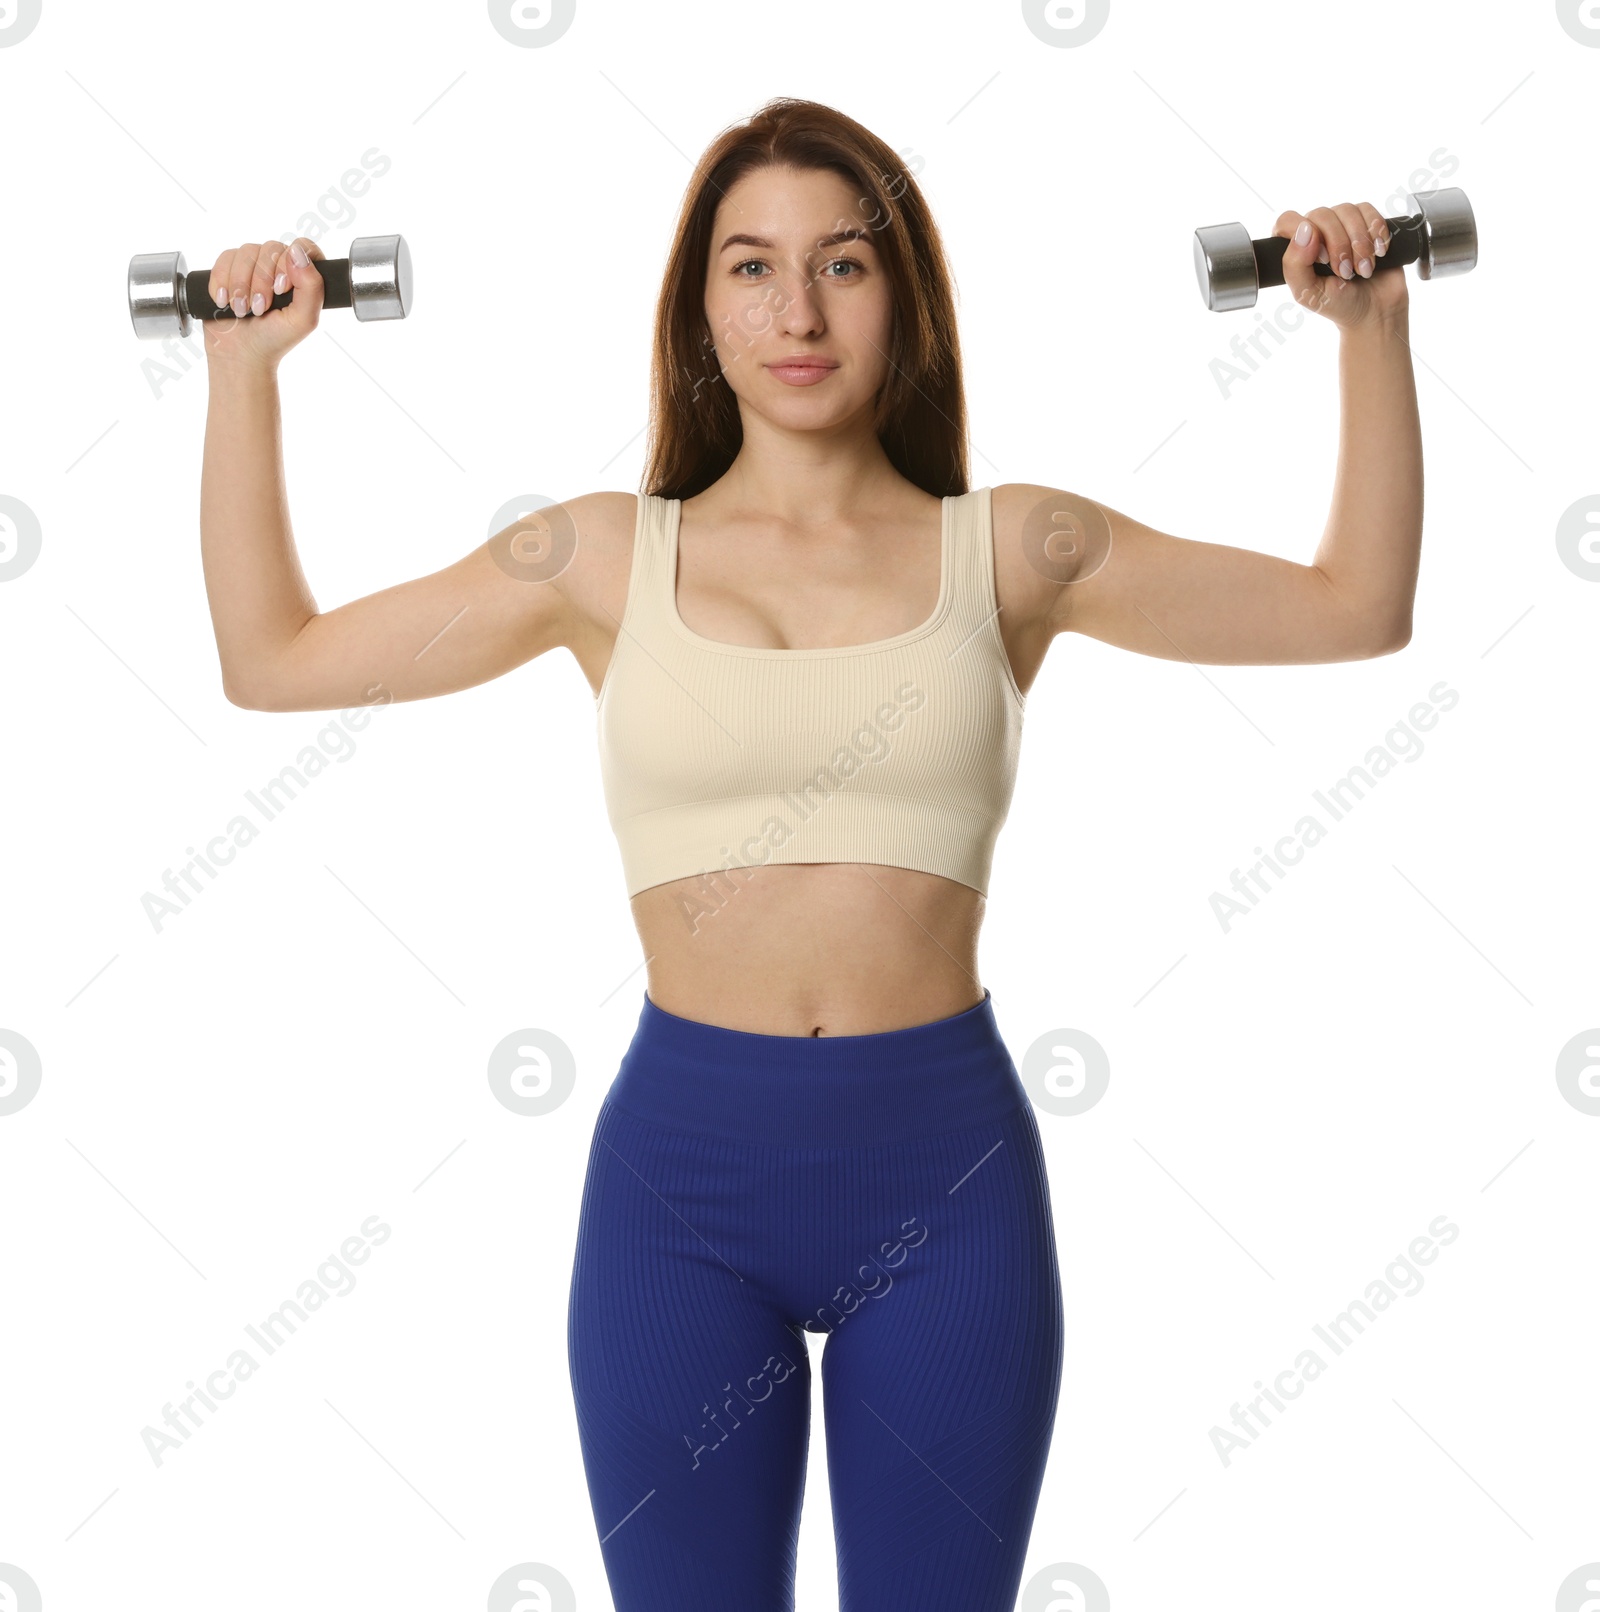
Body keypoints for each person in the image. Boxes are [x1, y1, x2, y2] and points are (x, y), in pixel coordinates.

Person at [197, 96, 1419, 1612]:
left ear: (903, 300)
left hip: (944, 1187)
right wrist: (241, 372)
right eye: (750, 267)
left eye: (843, 265)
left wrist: (1371, 335)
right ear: (697, 310)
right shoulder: (596, 558)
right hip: (681, 1196)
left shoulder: (1015, 548)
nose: (796, 309)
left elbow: (1354, 607)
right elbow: (275, 659)